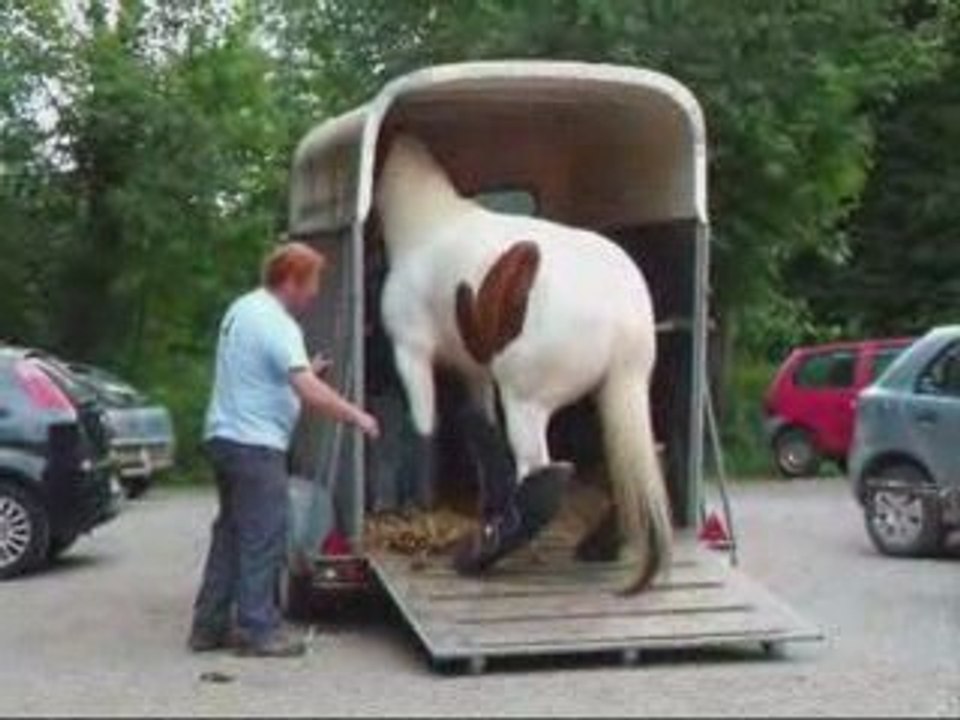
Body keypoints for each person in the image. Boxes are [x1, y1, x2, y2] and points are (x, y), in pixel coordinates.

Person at [189, 241, 380, 658]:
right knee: (263, 536)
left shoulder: (243, 309)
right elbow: (307, 391)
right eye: (311, 283)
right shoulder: (277, 323)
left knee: (231, 535)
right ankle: (261, 630)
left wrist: (306, 368)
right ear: (292, 281)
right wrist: (357, 416)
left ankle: (208, 626)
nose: (314, 293)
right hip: (255, 446)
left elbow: (263, 373)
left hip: (226, 437)